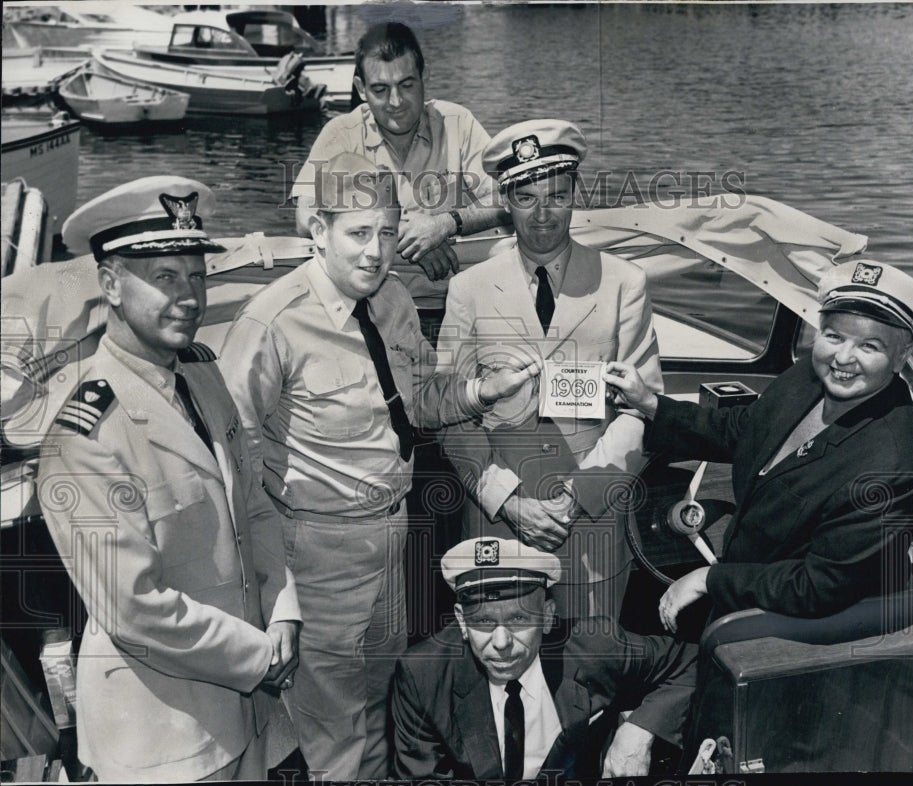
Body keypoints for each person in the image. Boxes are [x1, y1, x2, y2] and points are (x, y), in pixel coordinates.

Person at [218, 152, 536, 780]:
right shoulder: (270, 323)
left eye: (388, 233)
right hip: (317, 558)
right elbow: (232, 468)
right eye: (358, 233)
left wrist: (480, 393)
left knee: (382, 710)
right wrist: (273, 593)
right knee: (336, 737)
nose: (376, 252)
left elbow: (418, 404)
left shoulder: (392, 300)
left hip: (393, 542)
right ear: (318, 231)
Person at [602, 259, 913, 757]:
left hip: (787, 636)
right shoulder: (806, 379)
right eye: (833, 336)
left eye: (870, 346)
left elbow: (819, 588)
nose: (843, 358)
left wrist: (709, 579)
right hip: (741, 592)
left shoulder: (894, 466)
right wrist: (653, 406)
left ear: (902, 355)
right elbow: (742, 432)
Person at [36, 177, 301, 782]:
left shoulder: (203, 378)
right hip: (163, 740)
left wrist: (285, 607)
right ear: (110, 284)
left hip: (256, 718)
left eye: (197, 276)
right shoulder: (82, 437)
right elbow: (135, 608)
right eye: (165, 278)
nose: (190, 297)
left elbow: (254, 508)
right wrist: (260, 657)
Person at [436, 119, 662, 621]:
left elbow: (641, 409)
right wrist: (509, 500)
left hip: (592, 522)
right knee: (503, 659)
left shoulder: (624, 283)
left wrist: (579, 498)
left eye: (557, 196)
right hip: (500, 521)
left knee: (591, 673)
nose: (543, 215)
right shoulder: (468, 290)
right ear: (506, 201)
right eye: (527, 198)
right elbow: (449, 413)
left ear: (575, 193)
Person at [391, 537, 699, 779]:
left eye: (519, 620)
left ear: (548, 617)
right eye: (483, 622)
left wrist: (640, 730)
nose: (500, 643)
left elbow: (692, 660)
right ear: (461, 621)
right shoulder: (424, 676)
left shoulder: (594, 646)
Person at [290, 21, 508, 339]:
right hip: (371, 313)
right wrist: (400, 235)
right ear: (361, 89)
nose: (395, 102)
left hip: (455, 309)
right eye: (380, 89)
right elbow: (305, 215)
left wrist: (445, 224)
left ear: (425, 78)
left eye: (407, 85)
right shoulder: (340, 134)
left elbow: (509, 198)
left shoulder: (457, 123)